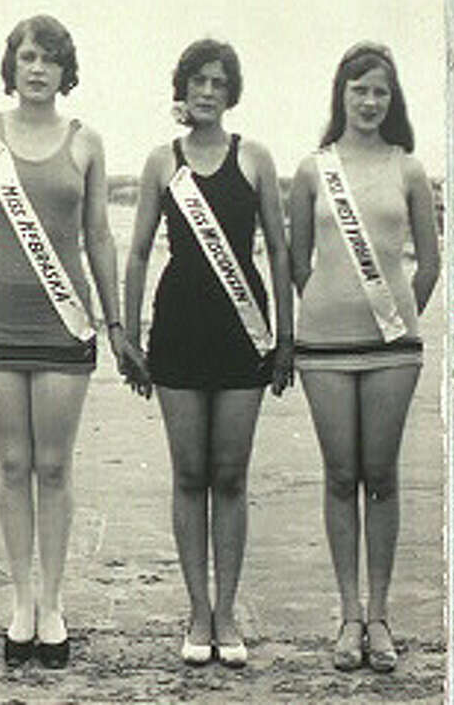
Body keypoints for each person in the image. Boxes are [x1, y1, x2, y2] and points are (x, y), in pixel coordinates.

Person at [0, 15, 134, 668]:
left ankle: (53, 601)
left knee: (54, 465)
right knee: (12, 464)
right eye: (27, 56)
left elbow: (99, 235)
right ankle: (21, 600)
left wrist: (116, 319)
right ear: (12, 65)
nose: (38, 68)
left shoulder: (86, 142)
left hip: (64, 321)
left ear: (65, 69)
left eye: (50, 58)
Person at [121, 39, 294, 667]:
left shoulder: (255, 159)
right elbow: (138, 251)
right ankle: (199, 609)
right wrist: (127, 334)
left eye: (219, 82)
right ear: (182, 88)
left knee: (231, 474)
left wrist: (286, 339)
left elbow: (277, 250)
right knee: (190, 474)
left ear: (231, 92)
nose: (207, 91)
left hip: (243, 331)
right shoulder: (160, 163)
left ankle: (228, 611)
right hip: (178, 328)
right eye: (197, 81)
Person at [287, 42, 439, 673]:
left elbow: (428, 264)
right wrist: (329, 306)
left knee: (381, 474)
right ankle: (348, 615)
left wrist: (399, 319)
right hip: (323, 346)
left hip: (391, 349)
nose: (370, 102)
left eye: (380, 91)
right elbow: (298, 261)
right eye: (359, 90)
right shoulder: (311, 170)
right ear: (341, 95)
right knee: (339, 474)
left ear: (392, 98)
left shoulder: (409, 170)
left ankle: (379, 616)